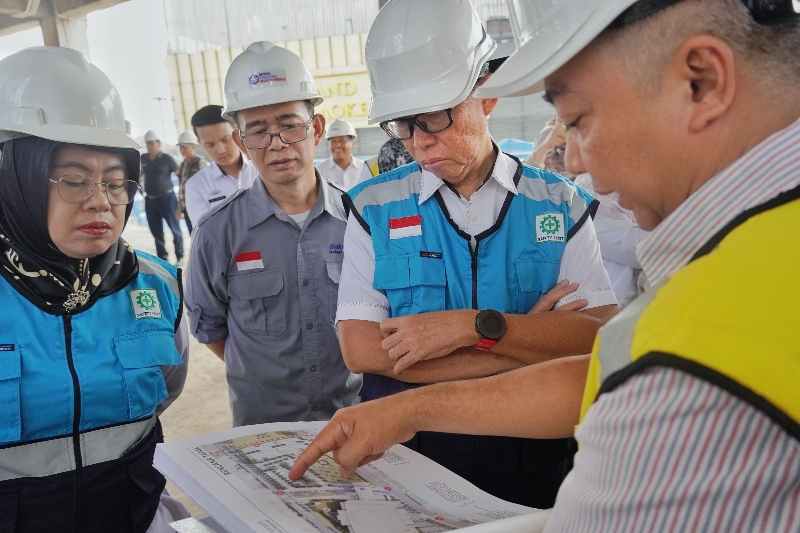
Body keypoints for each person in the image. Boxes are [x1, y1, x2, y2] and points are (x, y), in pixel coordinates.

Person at [292, 0, 800, 530]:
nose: (575, 159)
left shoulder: (701, 329)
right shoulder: (719, 278)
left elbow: (599, 350)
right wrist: (504, 355)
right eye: (405, 126)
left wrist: (472, 332)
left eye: (578, 120)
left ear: (701, 82)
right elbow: (599, 367)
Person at [331, 0, 617, 508]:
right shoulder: (370, 208)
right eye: (403, 124)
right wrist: (518, 348)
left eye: (436, 117)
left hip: (532, 461)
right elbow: (363, 351)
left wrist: (473, 326)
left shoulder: (560, 204)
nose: (419, 142)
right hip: (409, 458)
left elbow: (595, 339)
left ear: (485, 93)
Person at [0, 46, 189, 533]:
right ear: (14, 179)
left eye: (115, 182)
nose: (100, 203)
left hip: (136, 516)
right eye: (74, 180)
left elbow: (167, 388)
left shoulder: (156, 284)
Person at [185, 42, 361, 427]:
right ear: (243, 142)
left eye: (289, 125)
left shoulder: (358, 220)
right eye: (259, 131)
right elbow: (210, 329)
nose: (277, 144)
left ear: (315, 128)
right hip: (262, 427)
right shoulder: (218, 233)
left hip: (351, 419)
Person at [184, 104, 259, 225]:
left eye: (225, 140)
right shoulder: (196, 186)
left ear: (237, 134)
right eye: (210, 144)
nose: (220, 150)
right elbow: (206, 233)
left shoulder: (261, 169)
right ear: (200, 143)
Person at [140, 130, 184, 265]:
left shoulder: (167, 158)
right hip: (150, 200)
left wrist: (182, 198)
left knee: (175, 229)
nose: (150, 146)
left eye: (152, 143)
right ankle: (162, 259)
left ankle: (180, 256)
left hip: (167, 199)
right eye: (148, 143)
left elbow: (180, 175)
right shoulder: (143, 158)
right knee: (156, 232)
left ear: (158, 144)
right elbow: (137, 174)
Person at [317, 118, 372, 190]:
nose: (337, 145)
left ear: (352, 142)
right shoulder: (320, 171)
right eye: (333, 141)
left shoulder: (364, 169)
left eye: (342, 140)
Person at [175, 129, 207, 234]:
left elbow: (207, 186)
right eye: (180, 147)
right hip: (187, 208)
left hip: (199, 207)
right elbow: (181, 187)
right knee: (193, 236)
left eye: (184, 147)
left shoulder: (200, 163)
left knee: (203, 234)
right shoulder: (183, 164)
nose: (182, 150)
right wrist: (179, 208)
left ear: (193, 146)